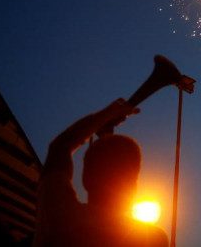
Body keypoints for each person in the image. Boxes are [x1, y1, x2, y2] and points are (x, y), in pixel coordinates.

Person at [33, 97, 168, 247]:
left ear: (86, 178)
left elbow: (60, 147)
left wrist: (108, 113)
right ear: (134, 185)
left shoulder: (61, 216)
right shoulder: (153, 239)